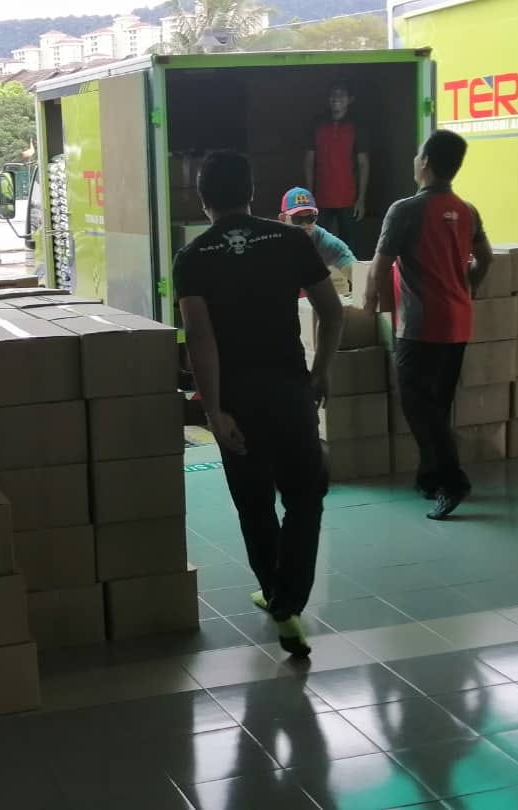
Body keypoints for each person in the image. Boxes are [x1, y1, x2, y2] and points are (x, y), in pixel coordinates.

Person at [175, 150, 344, 657]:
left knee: (254, 505)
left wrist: (213, 410)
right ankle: (288, 597)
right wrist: (320, 372)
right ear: (251, 192)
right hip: (291, 392)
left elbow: (199, 338)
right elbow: (332, 313)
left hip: (237, 401)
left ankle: (278, 596)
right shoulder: (291, 240)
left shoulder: (194, 257)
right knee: (305, 497)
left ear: (203, 199)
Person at [362, 130, 493, 520]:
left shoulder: (405, 210)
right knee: (438, 406)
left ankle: (453, 482)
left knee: (419, 408)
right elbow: (485, 258)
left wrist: (368, 309)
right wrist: (467, 288)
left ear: (426, 163)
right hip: (458, 323)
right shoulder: (468, 210)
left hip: (420, 326)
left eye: (418, 154)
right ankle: (429, 478)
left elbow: (380, 267)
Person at [305, 81, 369, 249]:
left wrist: (361, 199)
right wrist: (309, 196)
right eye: (333, 94)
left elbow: (363, 164)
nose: (336, 98)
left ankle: (350, 270)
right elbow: (309, 161)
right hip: (320, 198)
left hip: (348, 199)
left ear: (350, 99)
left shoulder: (357, 126)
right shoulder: (317, 124)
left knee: (349, 247)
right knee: (318, 246)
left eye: (341, 95)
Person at [279, 187, 356, 278]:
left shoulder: (328, 243)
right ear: (283, 219)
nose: (305, 225)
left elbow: (358, 277)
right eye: (297, 219)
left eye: (310, 218)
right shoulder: (271, 241)